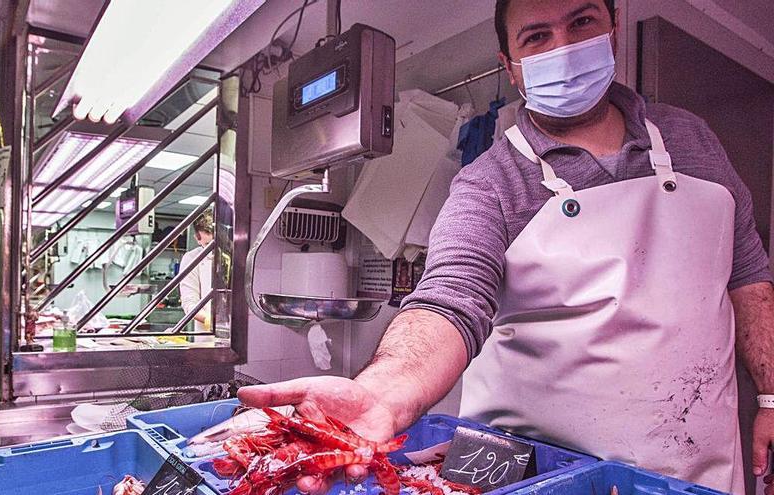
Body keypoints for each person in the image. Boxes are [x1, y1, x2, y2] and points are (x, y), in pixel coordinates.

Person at [237, 1, 774, 494]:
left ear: (612, 29)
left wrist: (770, 397)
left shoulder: (692, 139)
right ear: (511, 66)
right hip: (545, 474)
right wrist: (383, 392)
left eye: (582, 22)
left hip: (695, 466)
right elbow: (450, 299)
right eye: (537, 37)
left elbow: (748, 272)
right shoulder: (489, 183)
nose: (564, 48)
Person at [178, 211, 214, 332]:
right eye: (208, 245)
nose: (214, 250)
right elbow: (189, 302)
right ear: (197, 239)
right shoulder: (192, 259)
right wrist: (211, 320)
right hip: (207, 334)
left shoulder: (238, 255)